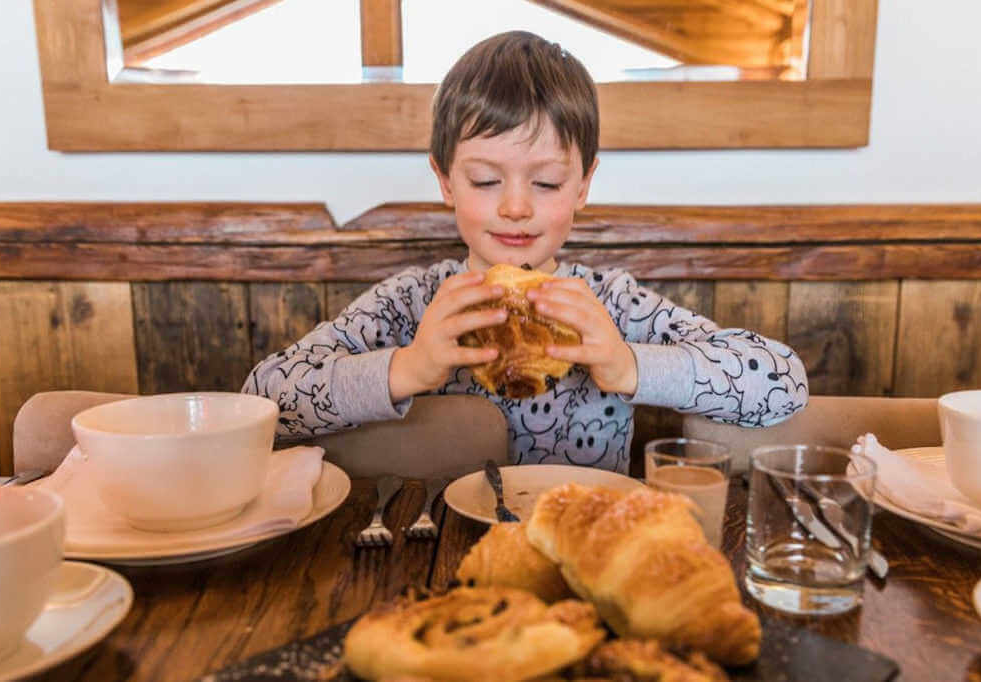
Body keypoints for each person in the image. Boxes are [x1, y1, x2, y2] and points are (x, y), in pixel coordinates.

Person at [242, 30, 808, 473]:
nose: (515, 207)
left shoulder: (610, 305)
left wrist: (625, 362)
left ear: (583, 185)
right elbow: (261, 402)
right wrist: (409, 366)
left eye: (546, 183)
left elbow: (784, 383)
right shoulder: (409, 304)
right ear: (445, 182)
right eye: (486, 181)